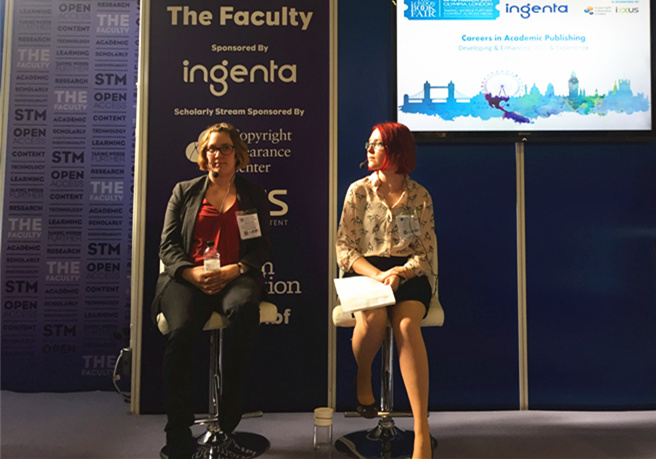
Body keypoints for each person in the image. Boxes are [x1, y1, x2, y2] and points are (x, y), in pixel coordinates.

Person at [151, 122, 271, 459]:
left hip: (236, 276)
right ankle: (178, 431)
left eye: (225, 147)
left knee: (244, 311)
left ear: (237, 153)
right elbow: (167, 245)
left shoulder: (253, 193)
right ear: (203, 155)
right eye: (211, 149)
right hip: (188, 278)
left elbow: (262, 248)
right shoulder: (184, 191)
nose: (218, 154)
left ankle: (229, 409)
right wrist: (191, 273)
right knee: (181, 333)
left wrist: (236, 269)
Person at [335, 122, 438, 459]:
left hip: (408, 273)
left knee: (407, 326)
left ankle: (421, 430)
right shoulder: (358, 191)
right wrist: (379, 274)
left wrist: (399, 273)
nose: (369, 149)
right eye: (369, 143)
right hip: (366, 269)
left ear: (396, 151)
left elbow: (425, 252)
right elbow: (345, 249)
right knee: (375, 320)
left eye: (377, 144)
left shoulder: (420, 195)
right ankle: (364, 374)